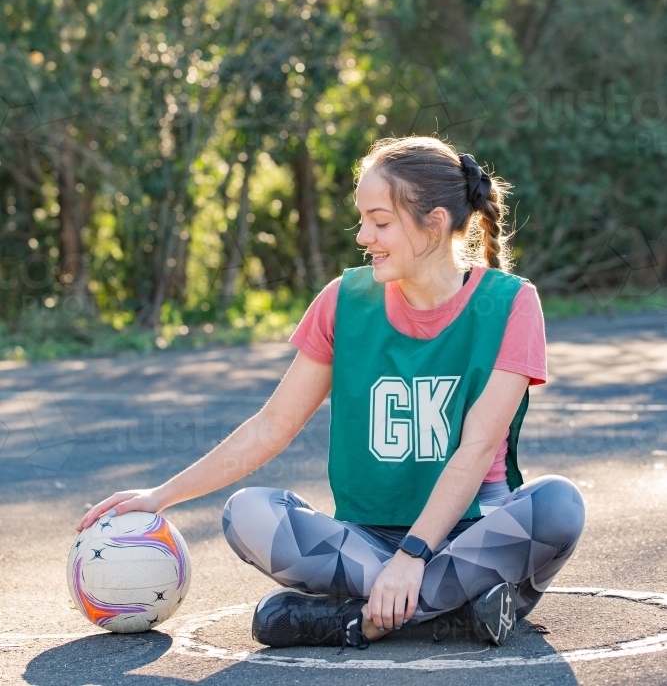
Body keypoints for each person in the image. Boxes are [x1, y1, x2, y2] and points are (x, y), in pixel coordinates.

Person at [78, 136, 585, 650]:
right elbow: (271, 426)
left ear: (434, 222)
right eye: (363, 219)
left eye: (381, 221)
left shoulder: (513, 303)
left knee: (559, 504)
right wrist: (160, 496)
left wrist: (413, 558)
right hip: (365, 542)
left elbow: (476, 449)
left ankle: (358, 619)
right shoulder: (343, 301)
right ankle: (452, 611)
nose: (364, 235)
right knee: (247, 512)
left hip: (472, 531)